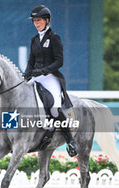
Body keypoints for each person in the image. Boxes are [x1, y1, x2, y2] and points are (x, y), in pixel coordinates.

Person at [23, 5, 78, 157]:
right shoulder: (34, 39)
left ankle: (70, 140)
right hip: (36, 76)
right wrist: (26, 74)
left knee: (54, 107)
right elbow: (31, 60)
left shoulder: (54, 38)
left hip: (51, 77)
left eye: (39, 20)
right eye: (34, 21)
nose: (36, 23)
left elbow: (59, 61)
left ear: (46, 20)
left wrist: (43, 70)